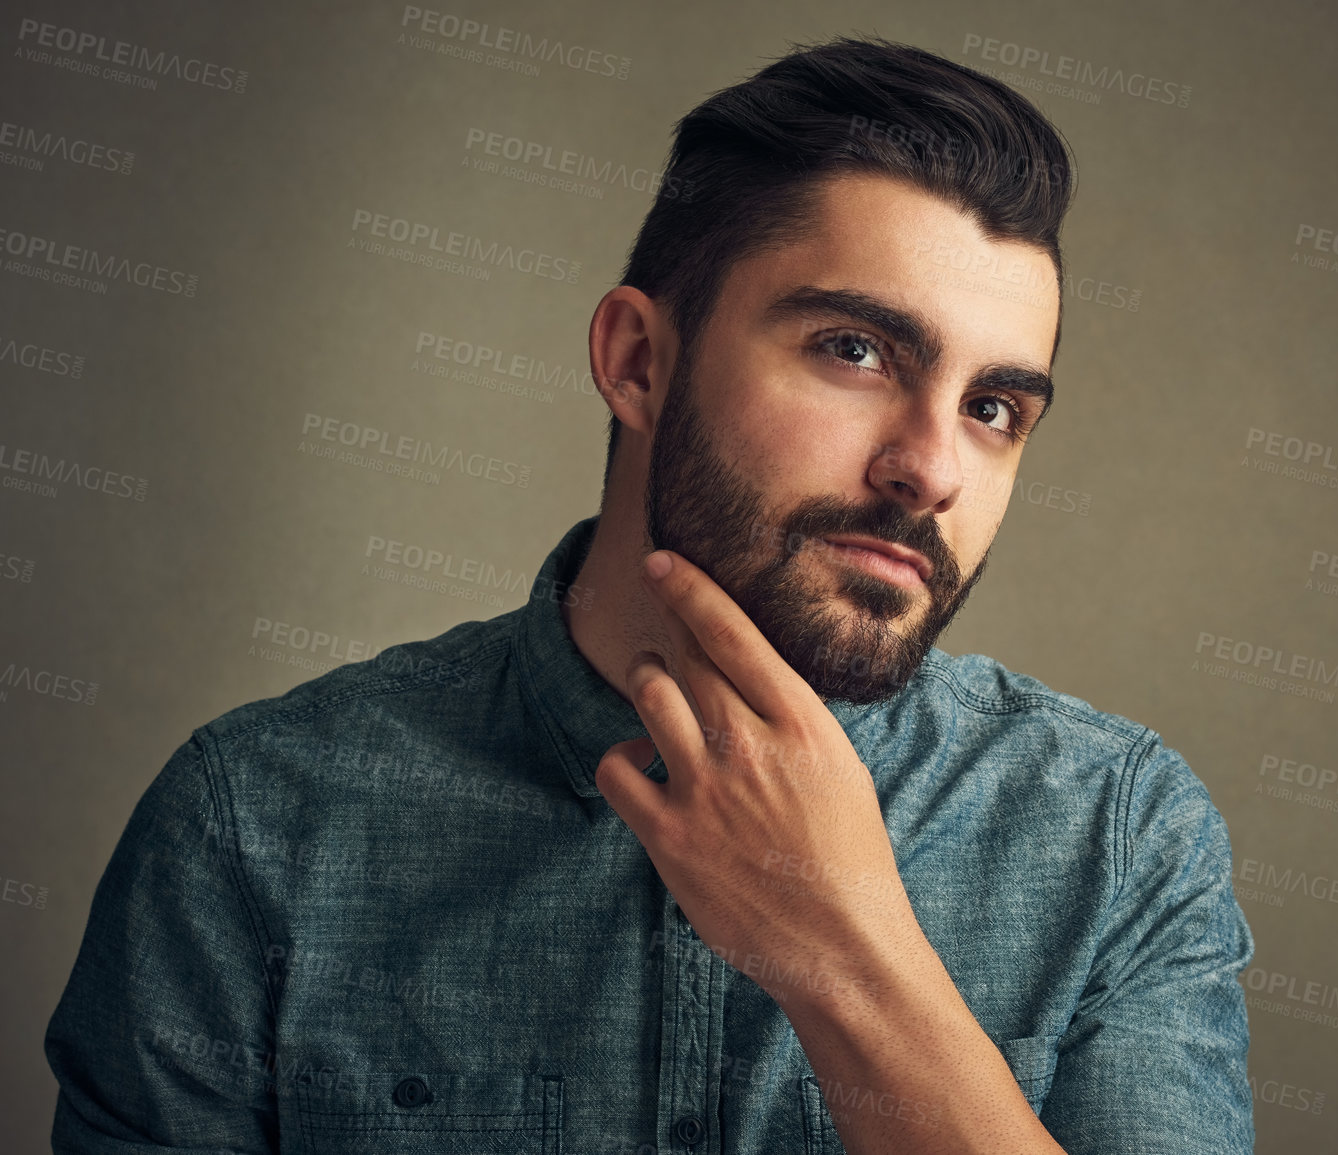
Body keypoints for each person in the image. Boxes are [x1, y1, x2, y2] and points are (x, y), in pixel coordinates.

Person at [44, 35, 1254, 1154]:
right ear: (638, 360)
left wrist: (845, 951)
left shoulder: (1121, 840)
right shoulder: (254, 828)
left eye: (993, 409)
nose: (930, 468)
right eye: (856, 351)